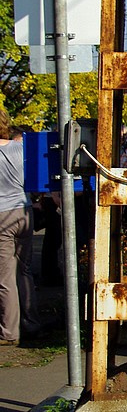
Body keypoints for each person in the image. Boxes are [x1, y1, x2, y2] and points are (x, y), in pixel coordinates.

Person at [0, 110, 39, 346]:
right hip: (24, 211)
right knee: (24, 270)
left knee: (5, 275)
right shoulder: (19, 149)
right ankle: (31, 321)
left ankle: (9, 331)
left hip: (2, 214)